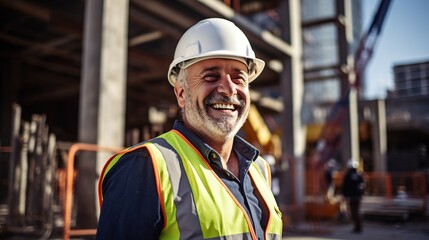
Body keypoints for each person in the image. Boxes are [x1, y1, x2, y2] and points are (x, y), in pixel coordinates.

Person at [96, 18, 283, 240]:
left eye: (238, 78)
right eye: (211, 76)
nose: (228, 88)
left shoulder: (258, 168)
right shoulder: (145, 167)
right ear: (181, 94)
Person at [341, 159, 365, 234]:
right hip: (357, 196)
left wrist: (344, 195)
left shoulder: (347, 176)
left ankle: (357, 227)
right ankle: (358, 226)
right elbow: (362, 186)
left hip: (351, 197)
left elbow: (345, 187)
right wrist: (361, 194)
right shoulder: (359, 176)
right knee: (357, 211)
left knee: (354, 212)